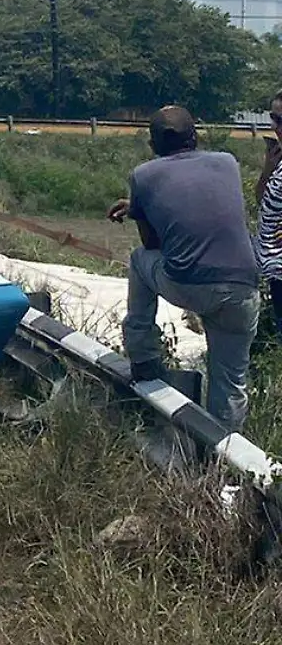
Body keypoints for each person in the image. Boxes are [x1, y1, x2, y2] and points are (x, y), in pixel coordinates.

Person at [107, 104, 261, 430]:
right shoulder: (227, 163)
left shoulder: (144, 175)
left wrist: (140, 208)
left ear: (153, 146)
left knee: (138, 260)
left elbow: (152, 245)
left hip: (187, 285)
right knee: (231, 382)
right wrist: (140, 207)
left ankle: (144, 355)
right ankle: (223, 462)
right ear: (197, 136)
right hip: (243, 288)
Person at [258, 91, 282, 316]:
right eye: (274, 118)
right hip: (275, 272)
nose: (276, 126)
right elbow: (261, 200)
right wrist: (269, 168)